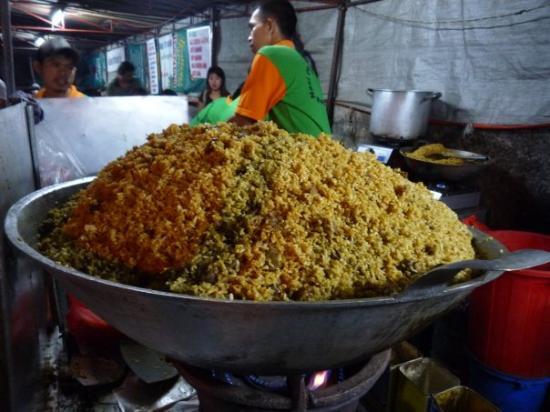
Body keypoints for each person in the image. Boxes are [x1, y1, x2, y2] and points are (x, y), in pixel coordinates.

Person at [229, 0, 331, 136]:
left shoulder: (271, 54)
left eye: (252, 27)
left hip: (300, 154)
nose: (249, 37)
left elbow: (244, 123)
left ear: (270, 26)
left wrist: (206, 134)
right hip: (323, 151)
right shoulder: (300, 61)